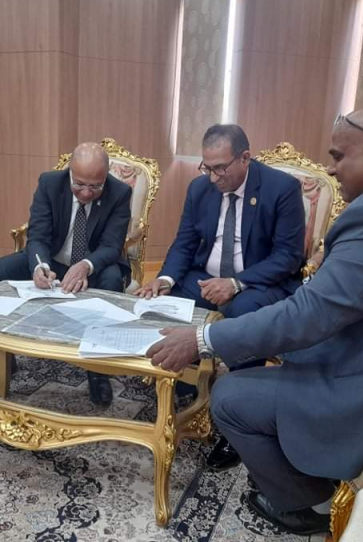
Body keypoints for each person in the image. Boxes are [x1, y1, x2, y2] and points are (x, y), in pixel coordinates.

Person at [146, 106, 363, 535]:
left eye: (337, 156)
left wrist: (203, 339)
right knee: (277, 354)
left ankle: (311, 504)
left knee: (231, 397)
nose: (330, 170)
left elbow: (312, 312)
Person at [135, 123, 306, 470]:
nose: (213, 177)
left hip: (258, 282)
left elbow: (288, 257)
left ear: (245, 158)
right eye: (207, 167)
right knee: (167, 304)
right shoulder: (200, 188)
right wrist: (164, 279)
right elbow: (185, 242)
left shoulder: (282, 189)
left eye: (220, 168)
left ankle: (240, 420)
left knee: (246, 312)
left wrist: (237, 282)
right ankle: (185, 389)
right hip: (205, 276)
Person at [0, 142, 132, 406]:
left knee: (112, 280)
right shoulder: (49, 183)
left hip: (94, 264)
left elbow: (112, 246)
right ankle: (2, 358)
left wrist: (86, 265)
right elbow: (37, 235)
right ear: (70, 171)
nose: (87, 193)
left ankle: (98, 370)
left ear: (105, 176)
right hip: (53, 260)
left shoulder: (120, 192)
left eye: (95, 186)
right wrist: (39, 265)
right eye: (79, 184)